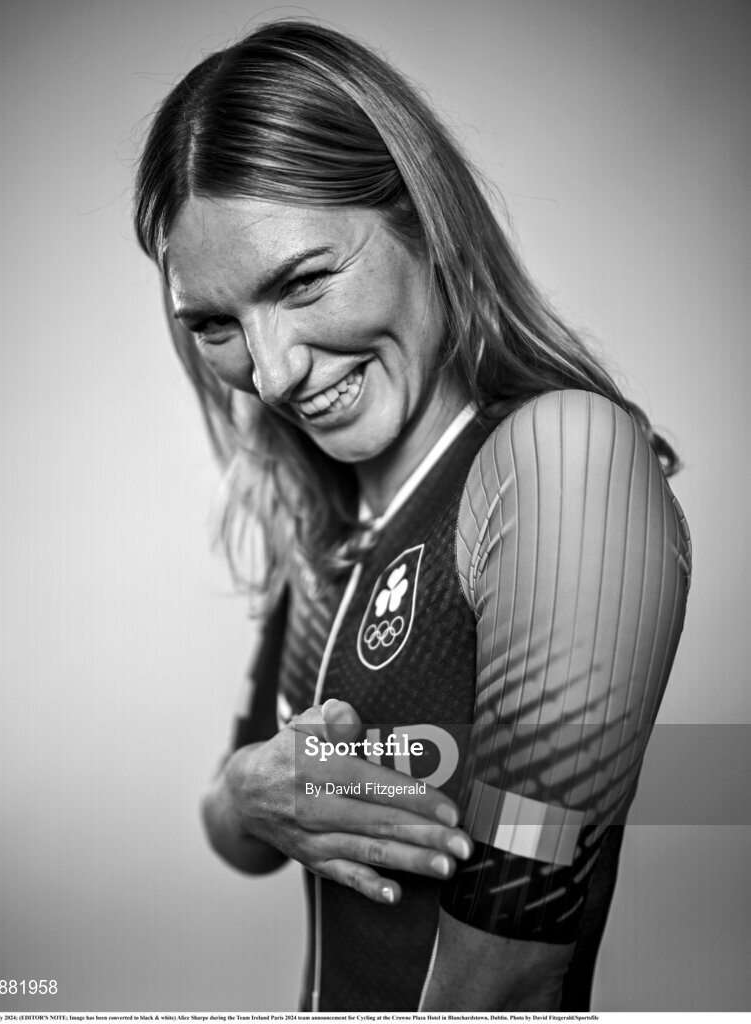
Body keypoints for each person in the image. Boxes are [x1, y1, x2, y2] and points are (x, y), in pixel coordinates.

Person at [133, 20, 691, 1012]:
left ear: (423, 221)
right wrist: (257, 792)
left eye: (303, 281)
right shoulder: (318, 518)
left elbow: (512, 968)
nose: (269, 372)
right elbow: (234, 820)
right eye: (215, 324)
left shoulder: (560, 465)